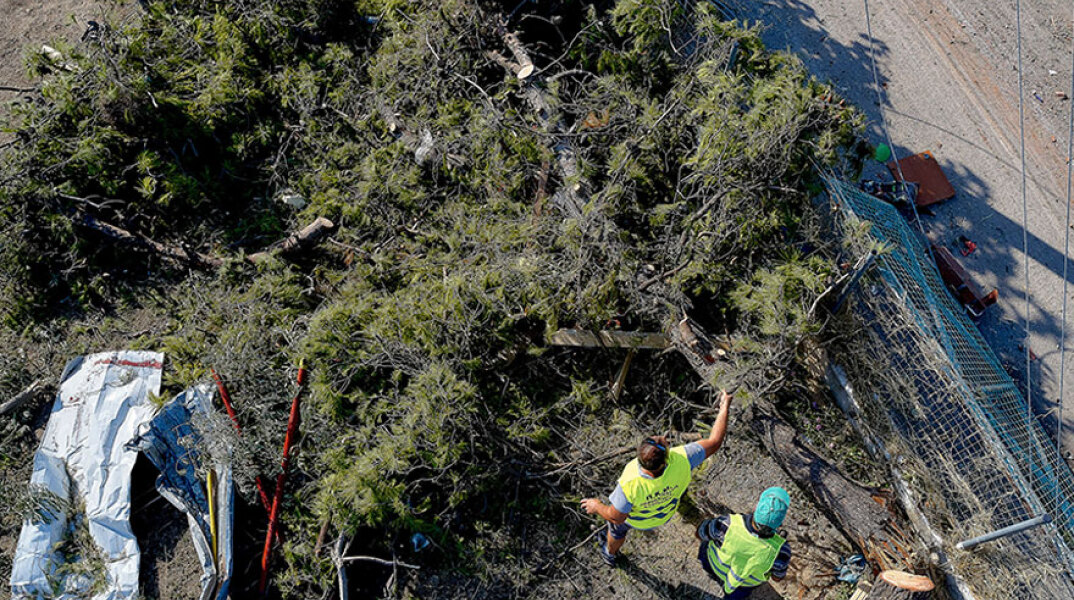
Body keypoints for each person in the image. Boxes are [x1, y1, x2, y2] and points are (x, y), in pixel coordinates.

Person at [580, 389, 732, 566]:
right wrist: (724, 407)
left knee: (616, 531)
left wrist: (596, 506)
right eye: (659, 441)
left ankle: (610, 554)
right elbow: (715, 442)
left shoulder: (631, 482)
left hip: (637, 521)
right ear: (665, 460)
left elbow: (616, 517)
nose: (661, 437)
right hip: (664, 515)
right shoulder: (682, 459)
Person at [695, 487, 793, 599]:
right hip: (742, 585)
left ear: (757, 507)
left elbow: (699, 534)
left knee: (706, 544)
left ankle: (710, 571)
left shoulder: (727, 524)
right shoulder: (782, 551)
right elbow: (777, 578)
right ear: (780, 522)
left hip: (713, 565)